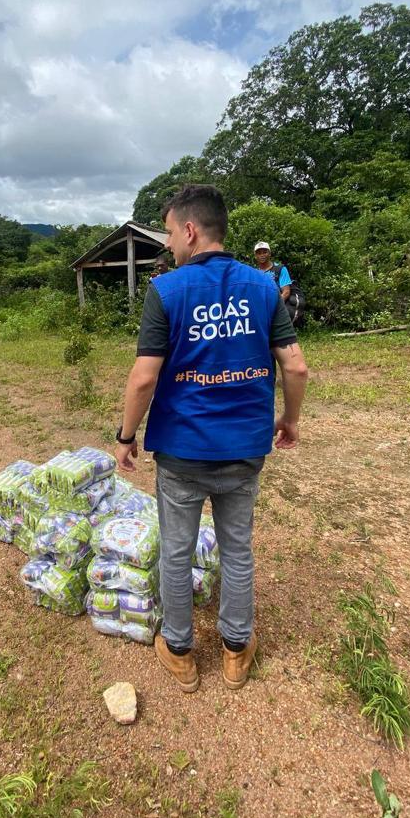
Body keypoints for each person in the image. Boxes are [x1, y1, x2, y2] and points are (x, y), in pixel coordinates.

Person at [114, 185, 308, 693]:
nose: (171, 243)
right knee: (237, 550)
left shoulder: (168, 291)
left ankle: (178, 651)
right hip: (245, 447)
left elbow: (142, 378)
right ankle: (236, 650)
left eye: (172, 232)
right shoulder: (265, 289)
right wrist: (288, 419)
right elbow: (296, 364)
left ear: (191, 230)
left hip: (181, 451)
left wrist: (125, 435)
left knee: (176, 552)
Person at [254, 241, 305, 325]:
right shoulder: (255, 273)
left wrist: (273, 306)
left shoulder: (280, 268)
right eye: (259, 253)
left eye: (265, 252)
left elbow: (286, 292)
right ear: (256, 256)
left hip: (279, 302)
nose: (262, 255)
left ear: (269, 254)